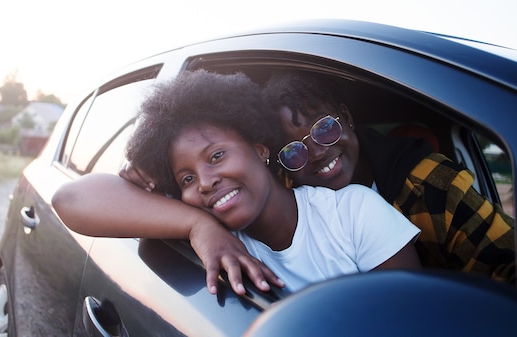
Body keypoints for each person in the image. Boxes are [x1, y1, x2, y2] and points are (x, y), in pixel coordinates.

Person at [53, 70, 420, 295]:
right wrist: (197, 226)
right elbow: (71, 199)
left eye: (216, 156)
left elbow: (413, 318)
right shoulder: (207, 225)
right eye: (186, 178)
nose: (206, 182)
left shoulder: (353, 211)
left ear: (261, 149)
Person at [262, 70, 517, 285]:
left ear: (347, 118)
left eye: (325, 128)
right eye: (293, 151)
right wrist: (219, 235)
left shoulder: (430, 185)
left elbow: (511, 262)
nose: (316, 152)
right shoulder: (289, 197)